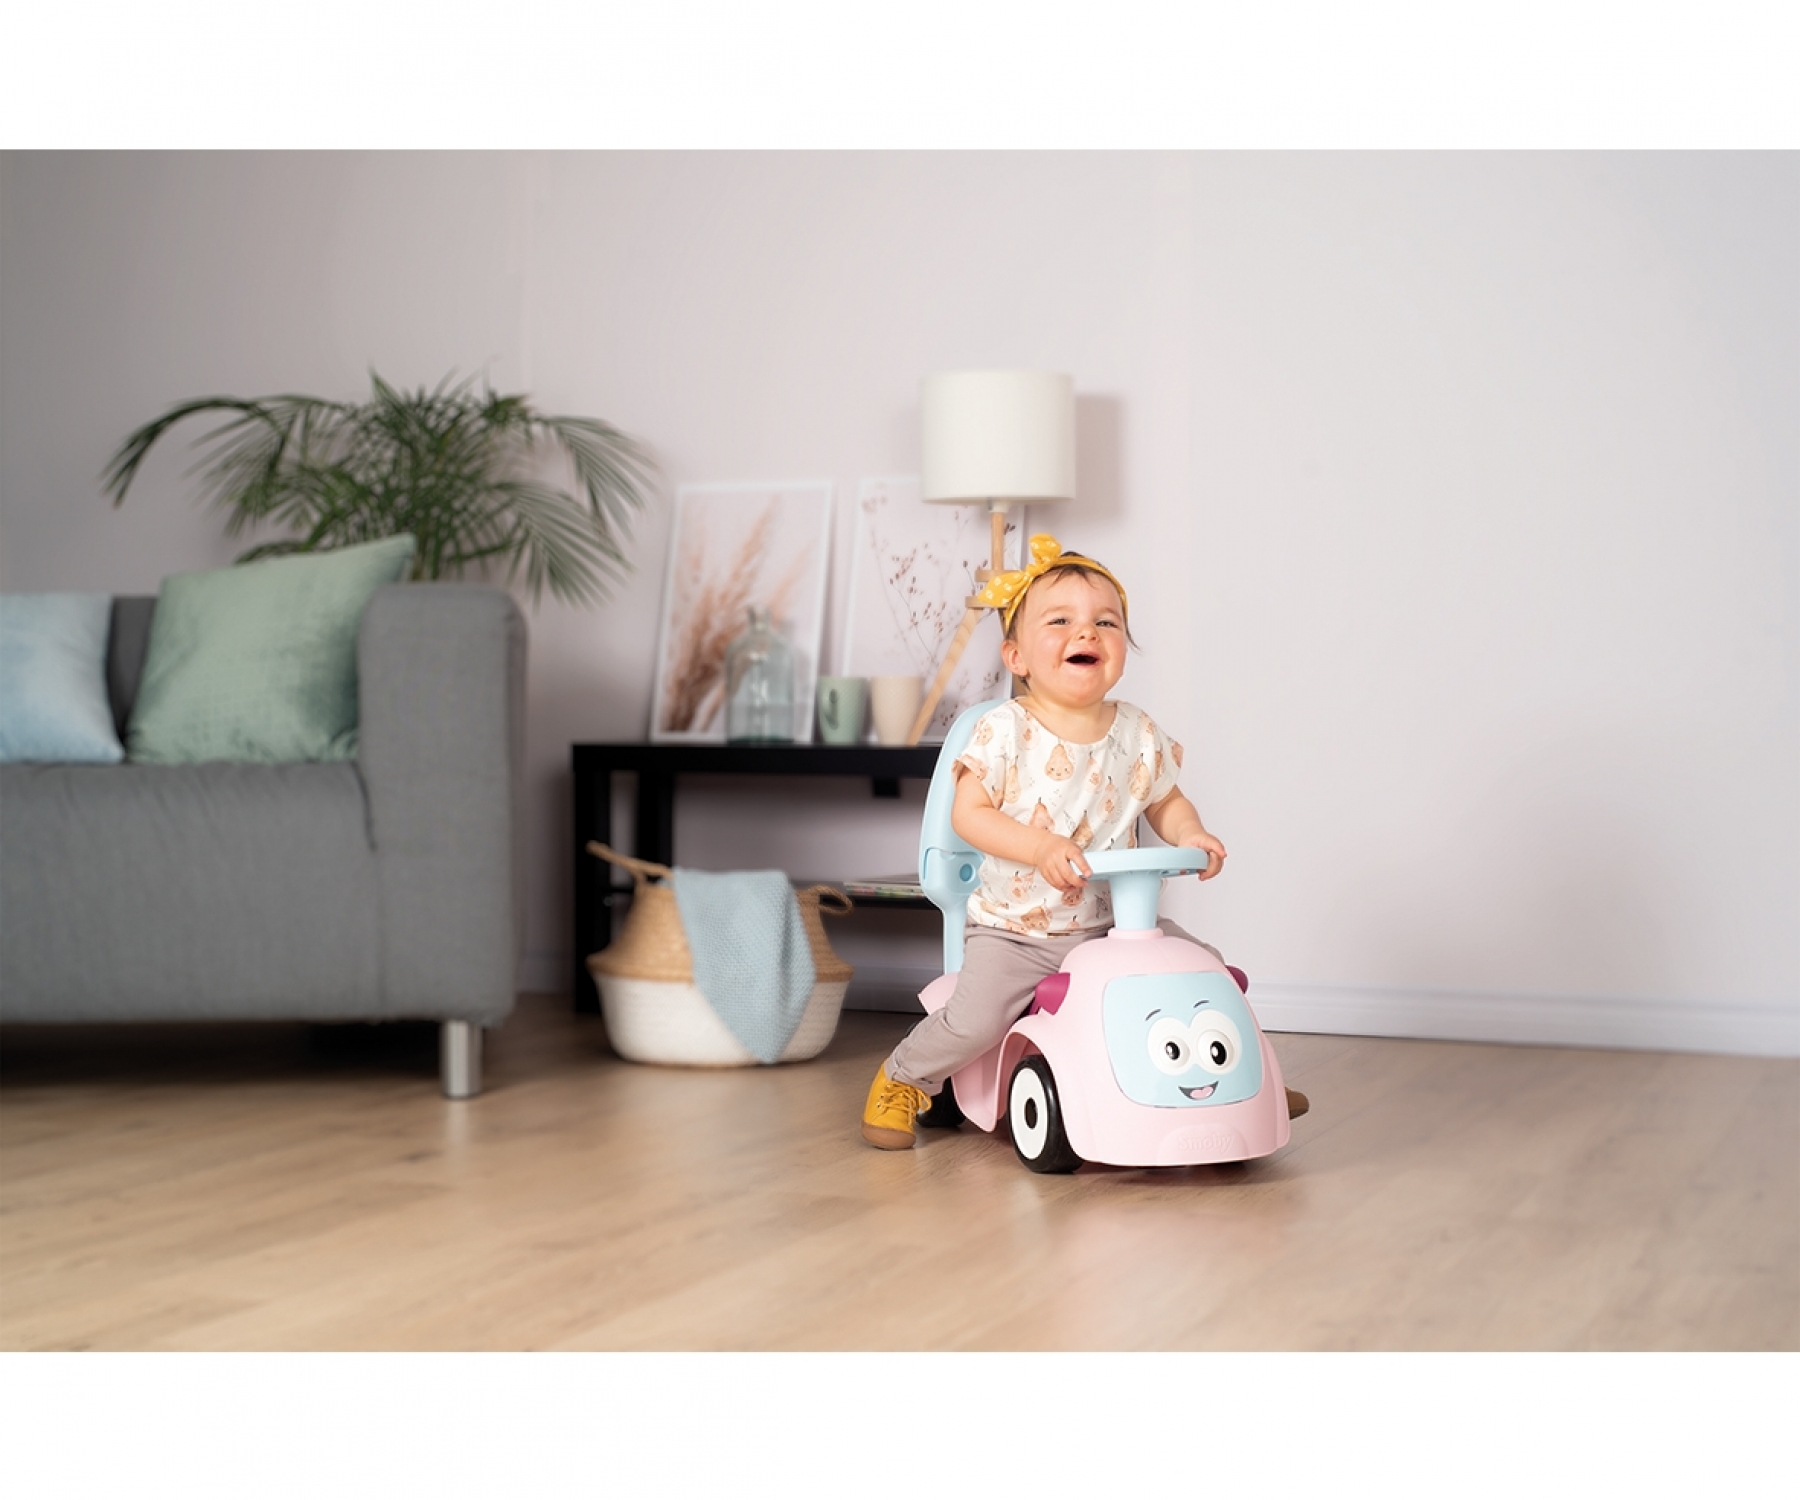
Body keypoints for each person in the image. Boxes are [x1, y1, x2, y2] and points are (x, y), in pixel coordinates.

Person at [860, 534, 1306, 1149]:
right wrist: (1039, 848)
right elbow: (970, 815)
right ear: (1016, 656)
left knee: (1206, 974)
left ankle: (1240, 1080)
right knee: (975, 1019)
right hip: (1018, 931)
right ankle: (904, 1077)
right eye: (1060, 621)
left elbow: (1166, 800)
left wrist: (1190, 832)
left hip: (1116, 925)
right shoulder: (1003, 730)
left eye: (1106, 621)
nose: (1087, 632)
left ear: (1122, 649)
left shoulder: (1138, 732)